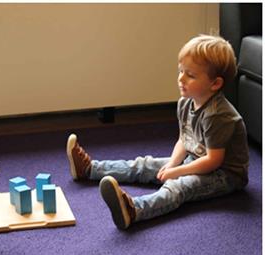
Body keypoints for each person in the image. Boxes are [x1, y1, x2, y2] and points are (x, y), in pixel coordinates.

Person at [66, 35, 249, 230]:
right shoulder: (185, 102)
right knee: (146, 165)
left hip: (225, 175)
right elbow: (184, 140)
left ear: (215, 84)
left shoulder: (218, 116)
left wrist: (177, 172)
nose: (181, 79)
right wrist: (171, 164)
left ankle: (135, 209)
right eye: (181, 71)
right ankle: (89, 169)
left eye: (191, 75)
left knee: (179, 186)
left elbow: (213, 160)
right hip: (197, 159)